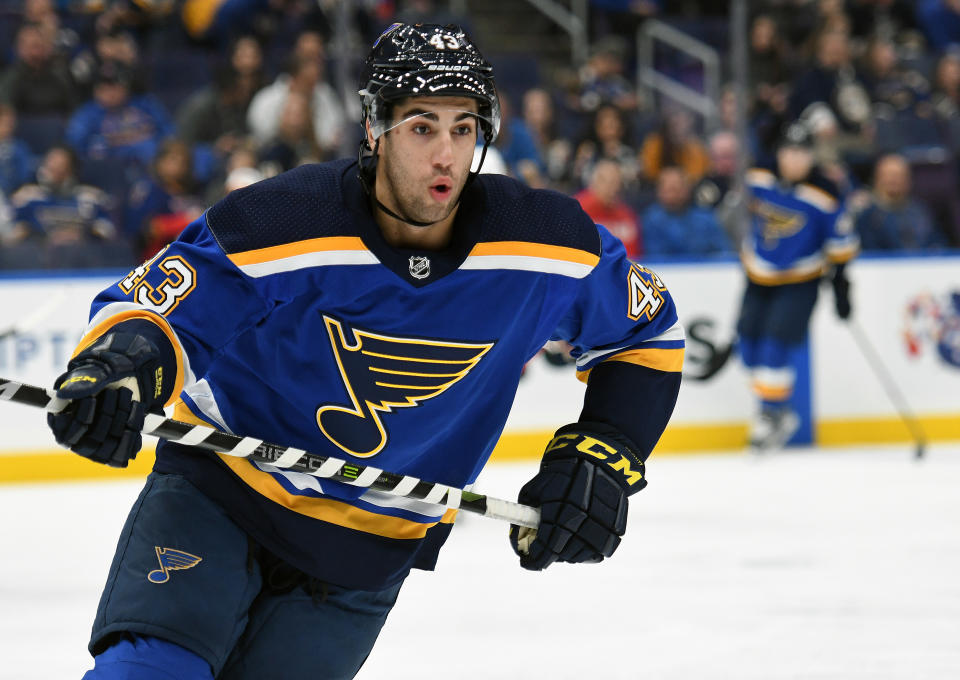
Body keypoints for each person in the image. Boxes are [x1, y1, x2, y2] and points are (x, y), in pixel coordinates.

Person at [46, 23, 684, 680]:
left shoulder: (544, 244)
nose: (445, 155)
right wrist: (118, 367)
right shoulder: (289, 217)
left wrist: (604, 453)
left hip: (369, 549)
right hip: (220, 494)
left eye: (463, 129)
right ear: (375, 129)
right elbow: (161, 304)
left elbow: (648, 332)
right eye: (421, 127)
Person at [737, 123, 859, 452]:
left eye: (801, 153)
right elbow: (733, 197)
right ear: (779, 153)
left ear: (811, 156)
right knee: (746, 347)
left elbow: (841, 241)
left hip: (800, 280)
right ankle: (776, 408)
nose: (794, 159)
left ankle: (771, 413)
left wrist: (841, 284)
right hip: (758, 274)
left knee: (774, 345)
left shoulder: (826, 191)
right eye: (788, 152)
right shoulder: (758, 174)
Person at [852, 153, 944, 251]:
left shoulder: (922, 212)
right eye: (888, 175)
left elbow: (937, 243)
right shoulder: (867, 217)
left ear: (909, 180)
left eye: (899, 175)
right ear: (877, 179)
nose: (893, 180)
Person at [642, 166, 731, 257]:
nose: (673, 195)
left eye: (677, 189)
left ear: (687, 189)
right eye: (668, 190)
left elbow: (723, 252)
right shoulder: (651, 220)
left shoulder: (706, 219)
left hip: (703, 269)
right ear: (659, 192)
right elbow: (654, 257)